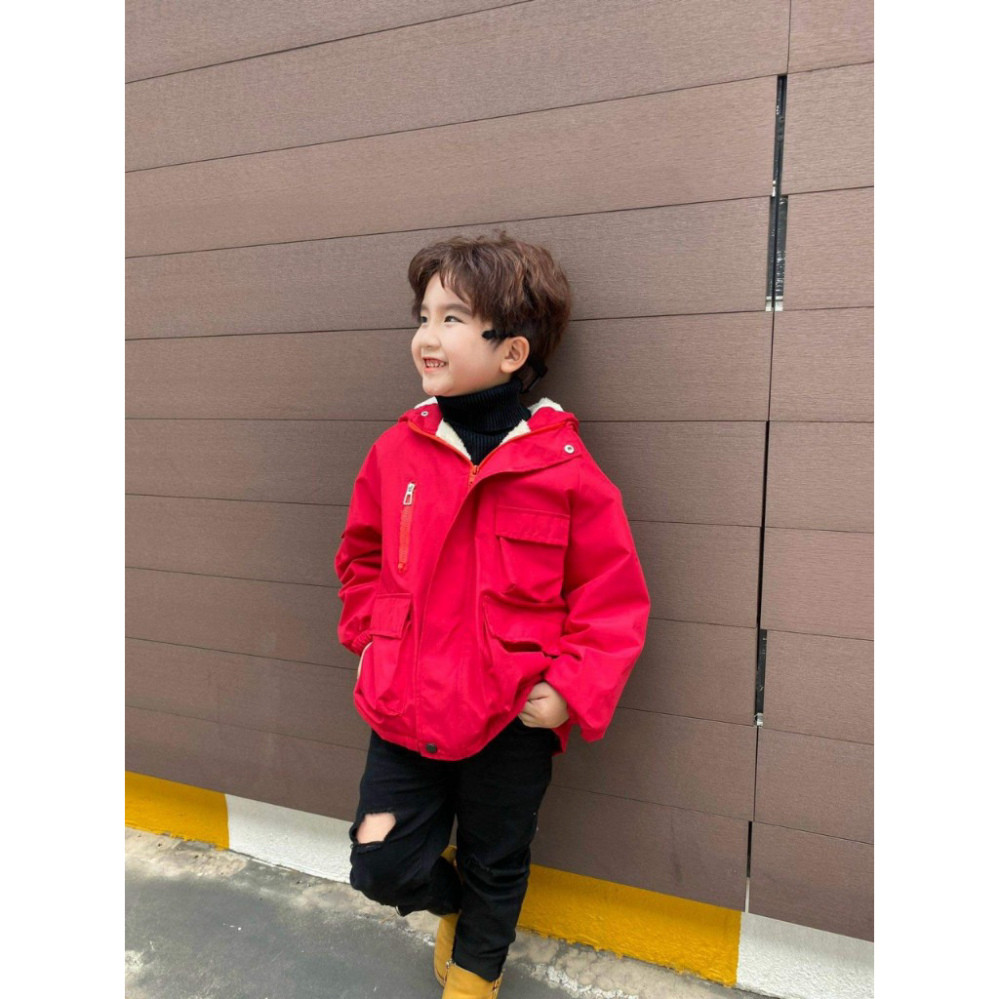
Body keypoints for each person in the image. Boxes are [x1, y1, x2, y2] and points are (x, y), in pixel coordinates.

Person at [335, 232, 650, 998]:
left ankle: (476, 973)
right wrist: (372, 640)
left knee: (496, 858)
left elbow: (610, 597)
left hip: (511, 718)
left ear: (511, 351)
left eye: (451, 318)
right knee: (379, 857)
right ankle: (450, 901)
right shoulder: (396, 452)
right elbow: (360, 558)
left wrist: (570, 688)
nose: (426, 334)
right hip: (403, 704)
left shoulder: (564, 471)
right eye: (422, 315)